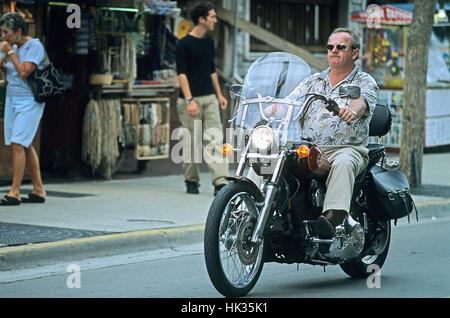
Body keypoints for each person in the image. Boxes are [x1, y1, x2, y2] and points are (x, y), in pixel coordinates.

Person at [287, 28, 378, 238]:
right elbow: (290, 102)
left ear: (354, 53)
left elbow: (363, 101)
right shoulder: (312, 81)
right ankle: (251, 206)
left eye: (340, 47)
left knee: (345, 162)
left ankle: (332, 218)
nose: (334, 51)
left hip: (345, 148)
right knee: (269, 154)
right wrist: (268, 107)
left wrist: (353, 110)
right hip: (308, 148)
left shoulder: (364, 81)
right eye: (330, 47)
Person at [175, 1, 229, 195]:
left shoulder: (208, 42)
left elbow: (212, 71)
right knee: (190, 141)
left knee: (213, 139)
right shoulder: (183, 44)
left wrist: (220, 95)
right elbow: (181, 74)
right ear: (201, 19)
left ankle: (220, 181)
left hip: (210, 98)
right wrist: (189, 100)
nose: (215, 20)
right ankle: (191, 180)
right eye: (212, 17)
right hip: (190, 100)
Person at [0, 12, 47, 206]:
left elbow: (24, 73)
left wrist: (10, 53)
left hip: (30, 101)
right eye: (1, 32)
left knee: (19, 143)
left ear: (19, 31)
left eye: (7, 32)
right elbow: (8, 71)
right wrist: (3, 60)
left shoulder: (34, 46)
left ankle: (14, 192)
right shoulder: (10, 46)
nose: (4, 36)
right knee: (22, 143)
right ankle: (38, 190)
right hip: (12, 99)